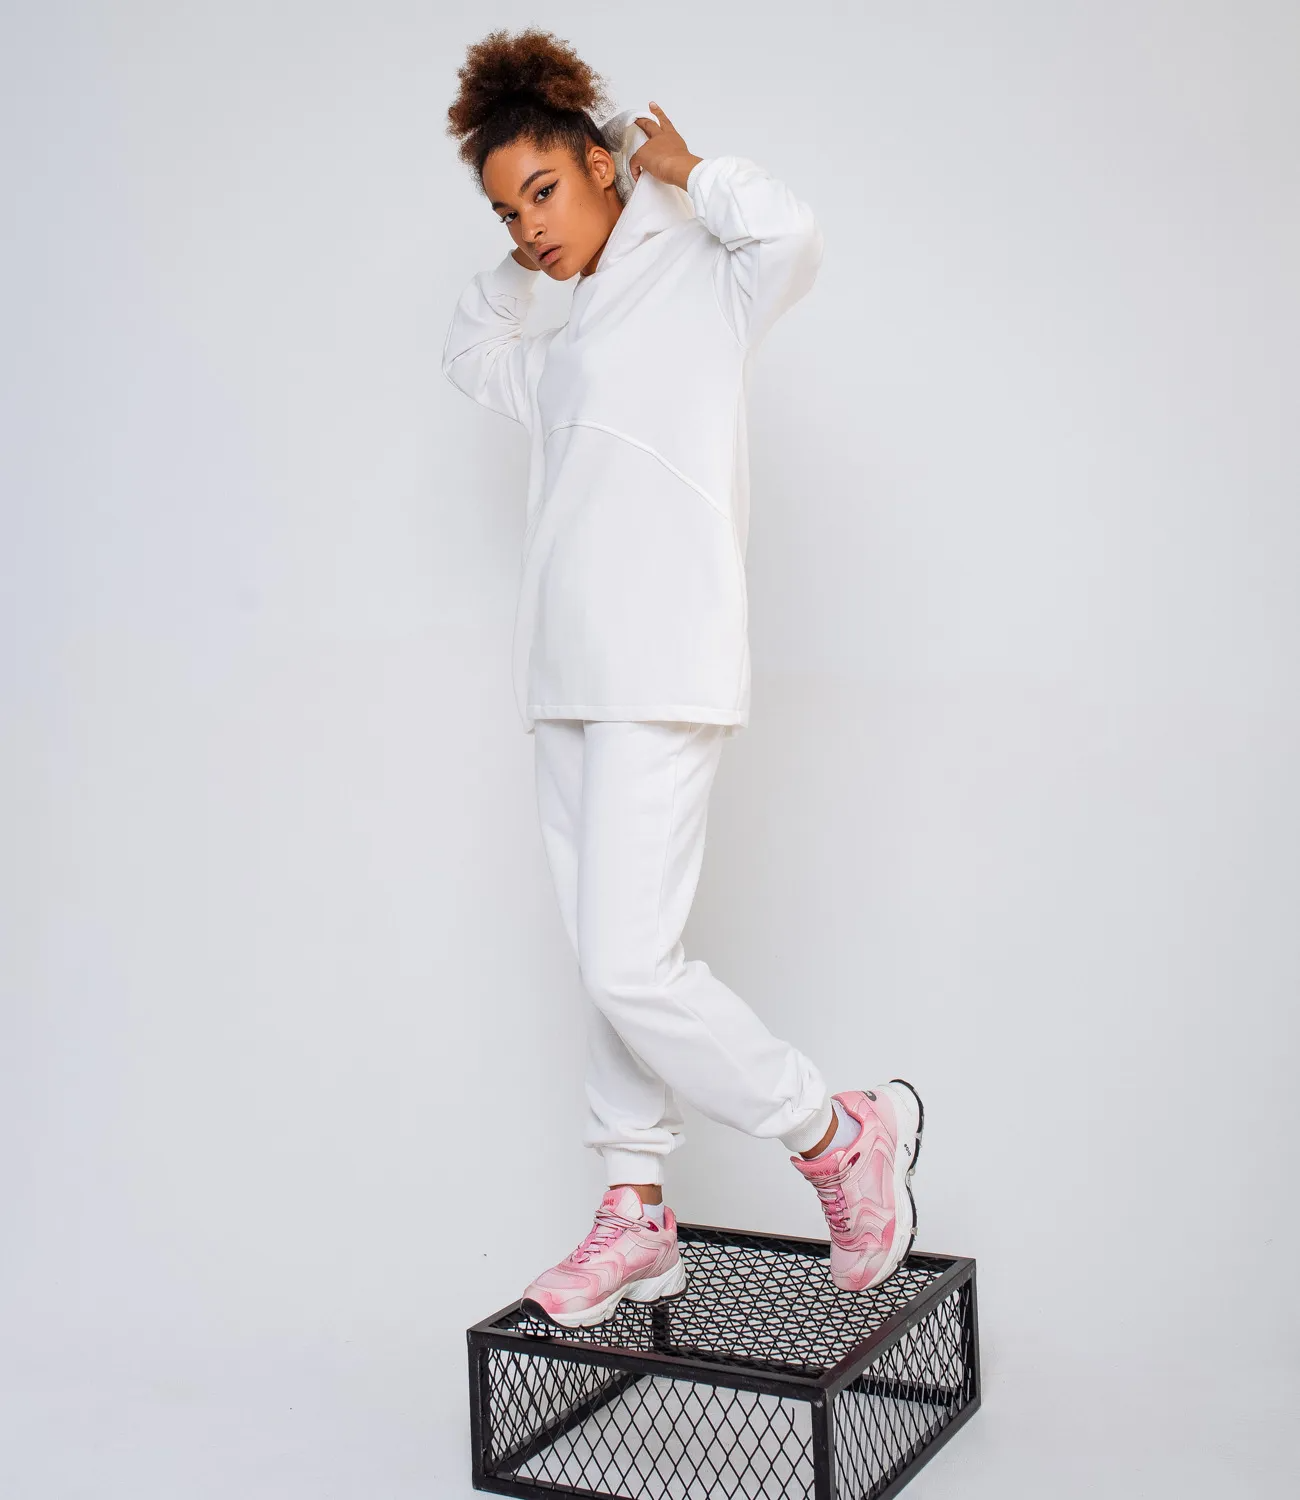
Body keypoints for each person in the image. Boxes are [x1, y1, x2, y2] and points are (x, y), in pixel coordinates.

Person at [442, 27, 924, 1330]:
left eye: (545, 191)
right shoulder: (567, 338)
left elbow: (793, 236)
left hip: (663, 665)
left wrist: (690, 170)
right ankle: (635, 1208)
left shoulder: (703, 277)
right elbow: (471, 351)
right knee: (603, 964)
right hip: (565, 679)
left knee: (630, 966)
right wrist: (522, 259)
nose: (531, 227)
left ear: (602, 164)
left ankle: (836, 1132)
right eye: (508, 210)